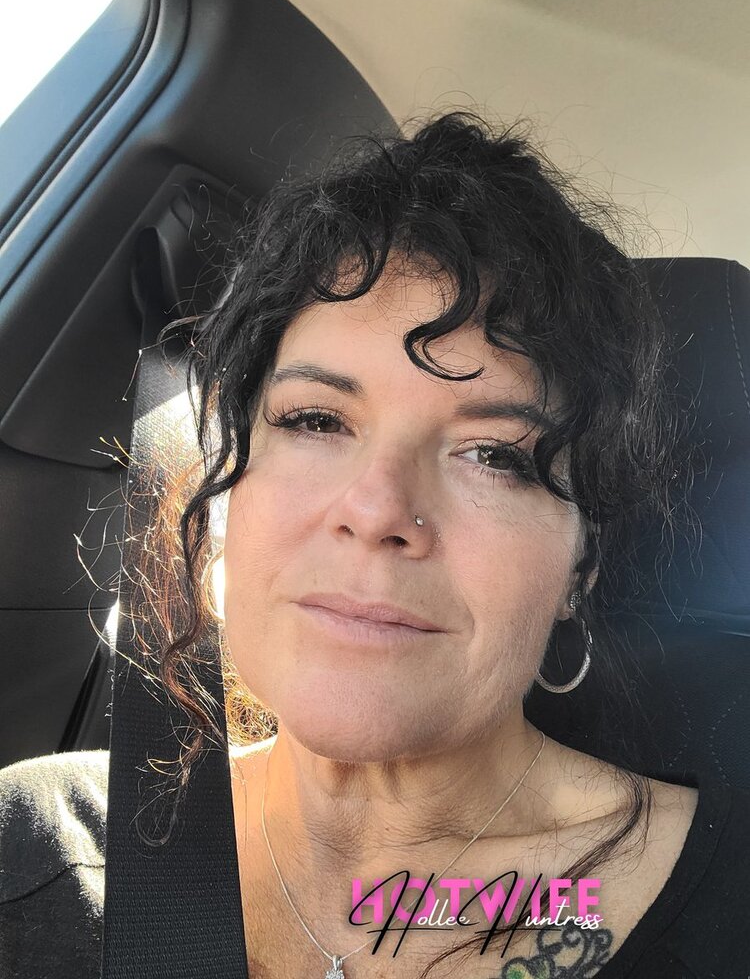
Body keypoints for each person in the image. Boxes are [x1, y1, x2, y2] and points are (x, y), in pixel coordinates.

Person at [2, 111, 750, 979]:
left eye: (495, 454)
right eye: (316, 420)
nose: (376, 508)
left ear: (580, 566)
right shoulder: (31, 845)